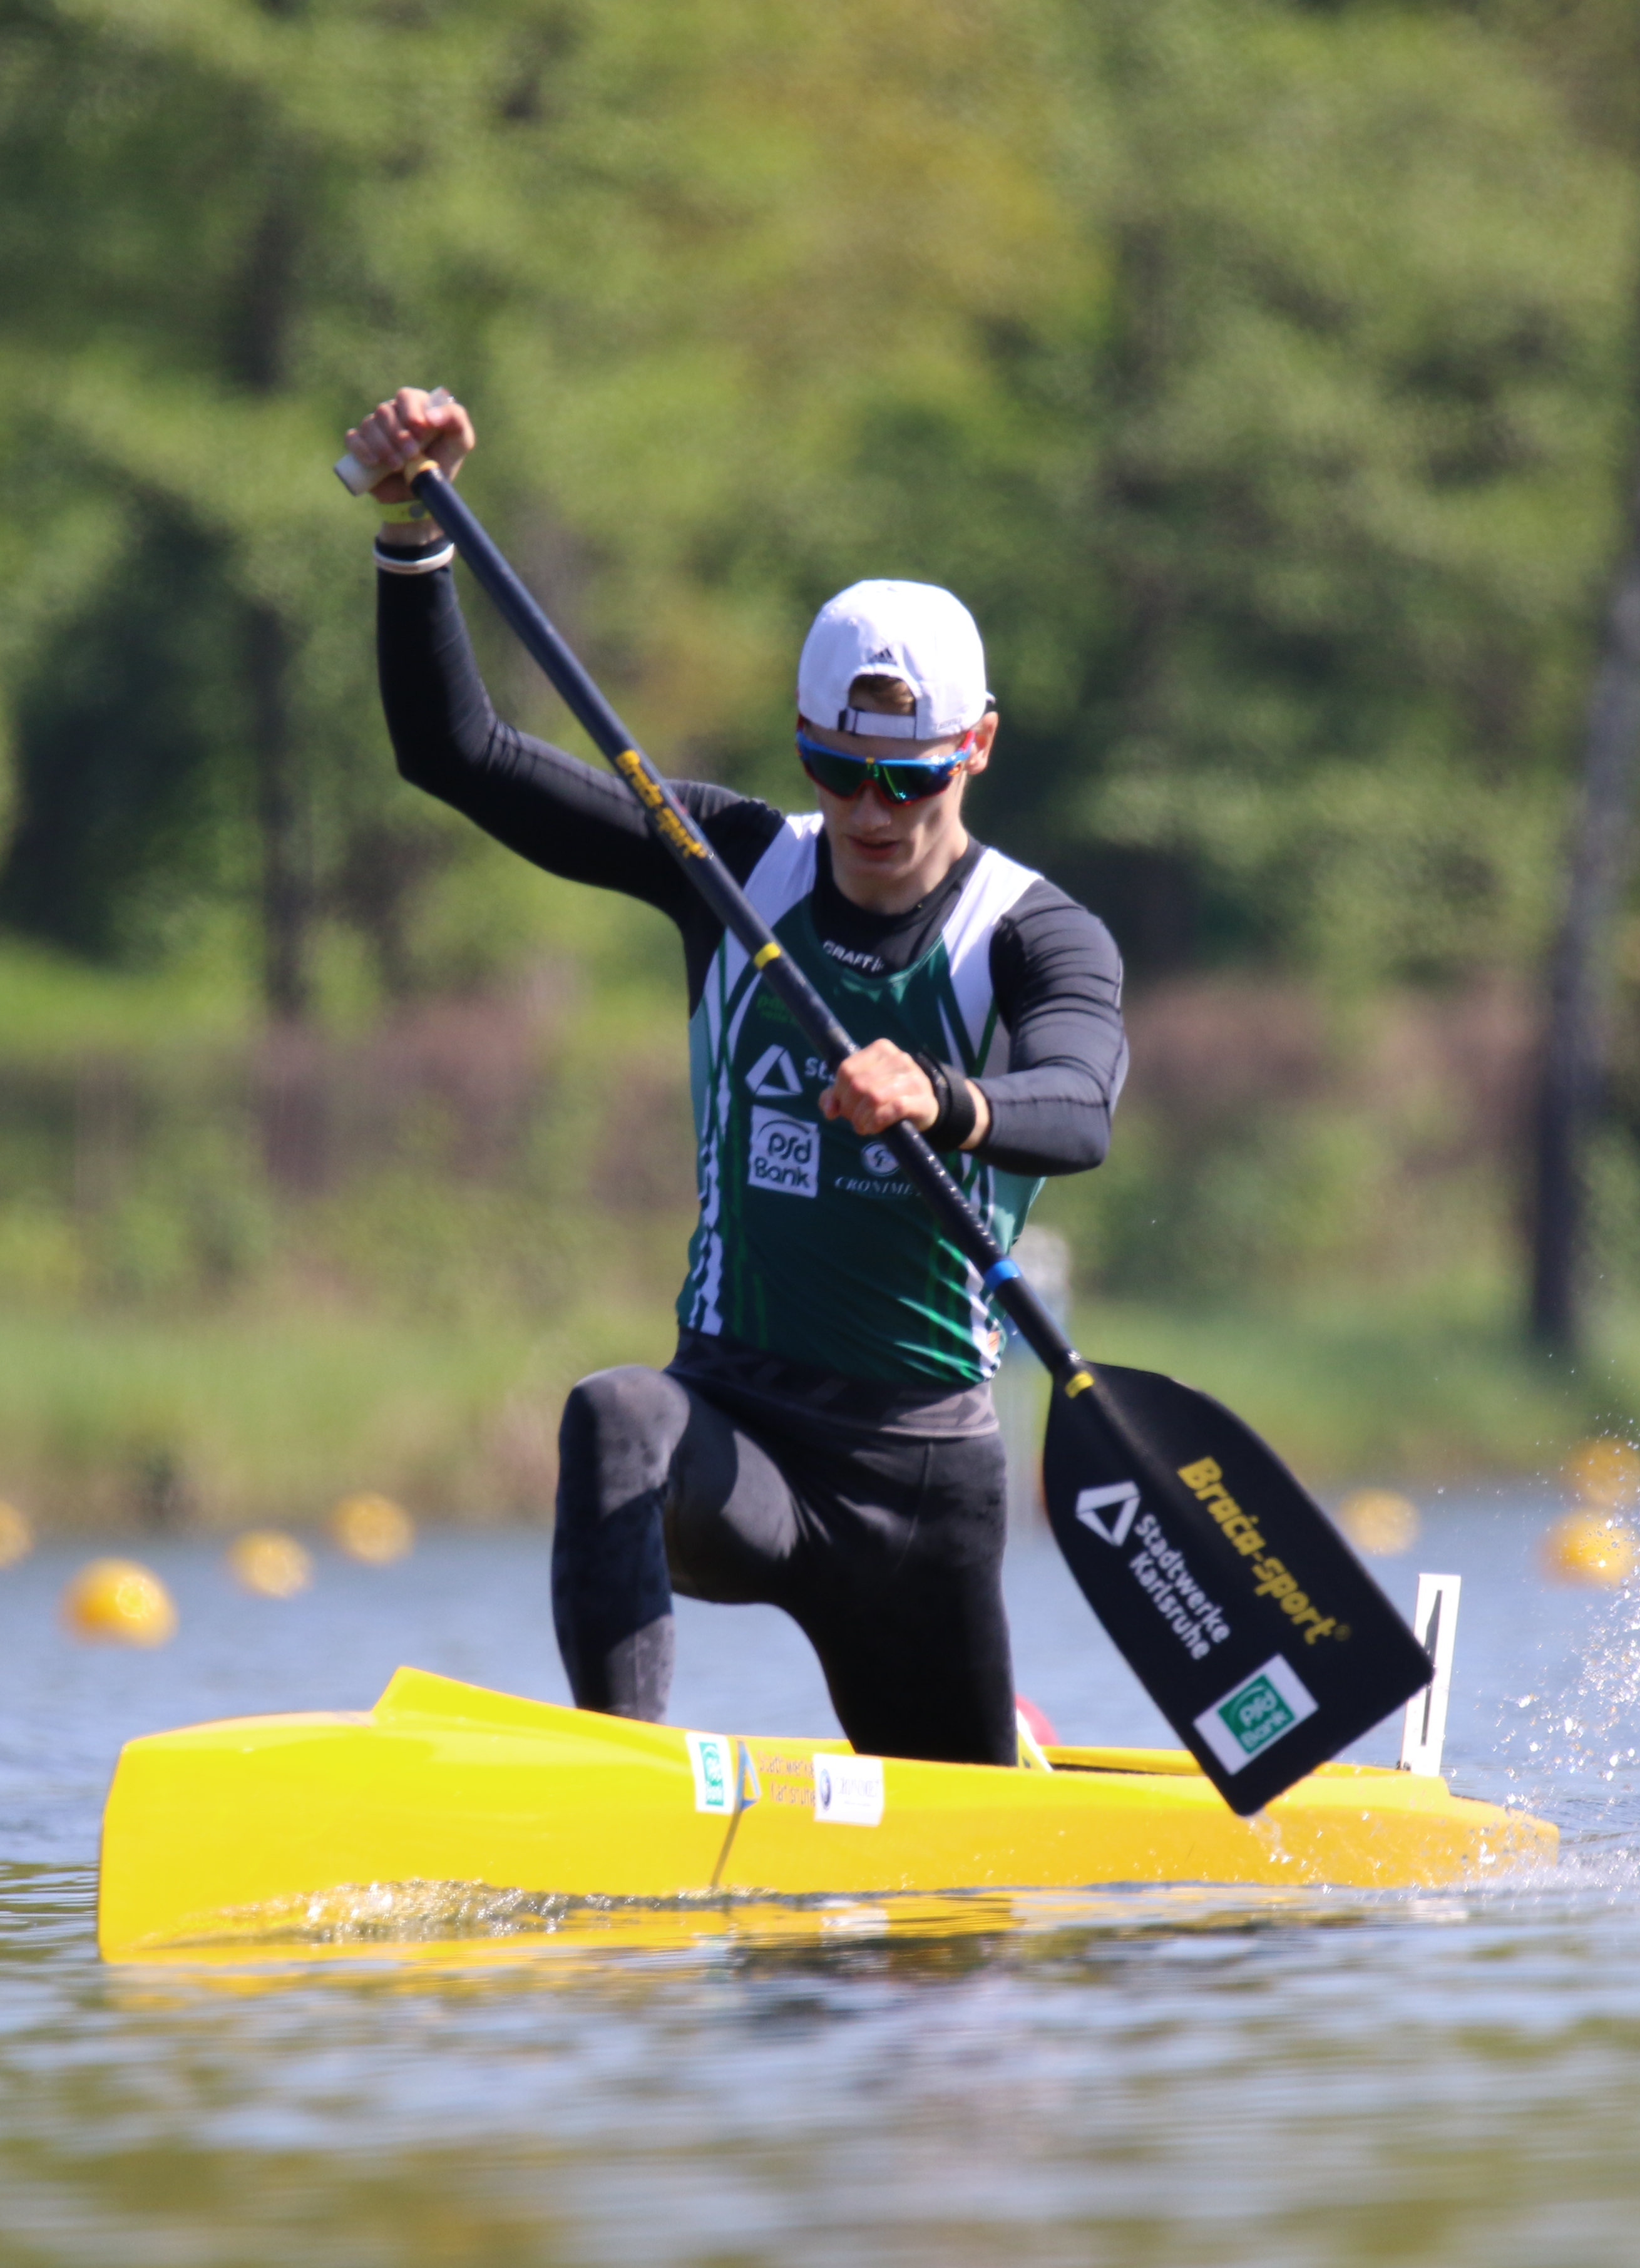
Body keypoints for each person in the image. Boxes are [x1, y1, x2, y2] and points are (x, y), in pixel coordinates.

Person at [349, 386, 1129, 1767]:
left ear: (978, 747)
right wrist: (415, 535)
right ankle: (626, 1788)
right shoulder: (732, 868)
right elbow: (457, 754)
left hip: (919, 1475)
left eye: (910, 779)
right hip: (736, 1429)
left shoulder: (1034, 933)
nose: (871, 812)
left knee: (953, 1874)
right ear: (802, 743)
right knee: (613, 1413)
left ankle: (1006, 1751)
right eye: (837, 769)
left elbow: (1080, 1110)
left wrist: (944, 1099)